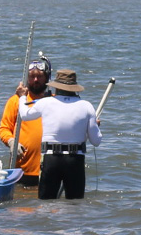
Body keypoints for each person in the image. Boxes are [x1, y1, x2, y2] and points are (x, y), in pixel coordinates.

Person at [15, 69, 102, 200]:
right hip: (74, 161)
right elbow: (96, 141)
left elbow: (25, 115)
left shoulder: (45, 102)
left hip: (51, 160)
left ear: (56, 87)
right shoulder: (86, 106)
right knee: (75, 205)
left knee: (46, 204)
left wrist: (22, 96)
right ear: (74, 88)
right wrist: (94, 126)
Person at [0, 56, 53, 186]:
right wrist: (12, 142)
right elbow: (4, 128)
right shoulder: (16, 101)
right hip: (21, 170)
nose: (35, 80)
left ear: (46, 78)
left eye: (39, 76)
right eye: (31, 76)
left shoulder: (54, 101)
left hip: (50, 168)